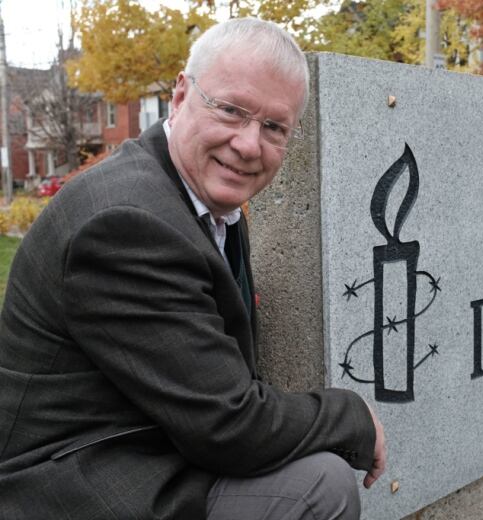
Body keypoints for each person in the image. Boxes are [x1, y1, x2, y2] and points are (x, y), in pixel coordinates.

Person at [0, 18, 385, 520]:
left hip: (148, 447)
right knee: (320, 485)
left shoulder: (202, 202)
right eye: (230, 110)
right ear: (181, 96)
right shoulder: (127, 224)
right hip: (74, 485)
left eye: (274, 127)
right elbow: (230, 426)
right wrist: (354, 418)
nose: (249, 145)